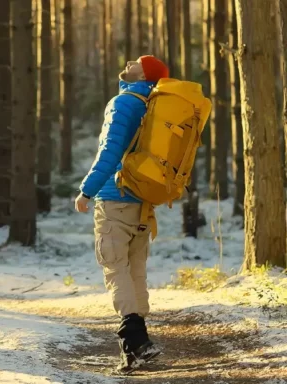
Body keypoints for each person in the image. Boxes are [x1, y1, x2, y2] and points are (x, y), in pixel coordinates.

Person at [74, 55, 168, 373]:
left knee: (115, 268)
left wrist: (87, 190)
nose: (129, 61)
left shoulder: (124, 102)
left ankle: (137, 340)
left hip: (115, 199)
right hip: (143, 201)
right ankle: (137, 348)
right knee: (135, 270)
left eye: (137, 61)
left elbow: (110, 150)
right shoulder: (152, 105)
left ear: (145, 73)